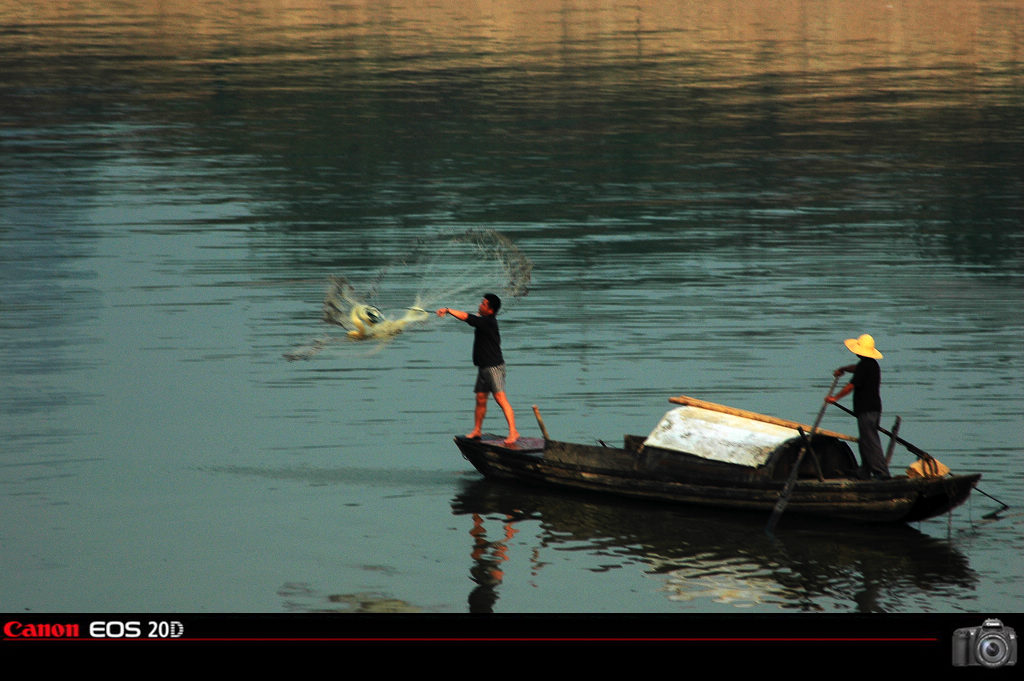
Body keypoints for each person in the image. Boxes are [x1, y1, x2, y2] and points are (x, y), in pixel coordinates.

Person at [437, 294, 520, 446]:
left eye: (484, 304)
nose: (480, 305)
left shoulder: (488, 322)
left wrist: (448, 310)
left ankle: (513, 432)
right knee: (480, 399)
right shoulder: (483, 320)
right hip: (483, 367)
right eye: (482, 302)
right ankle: (477, 430)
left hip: (494, 367)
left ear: (490, 310)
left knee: (501, 399)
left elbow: (466, 317)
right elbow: (470, 317)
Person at [826, 333, 890, 480]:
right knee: (865, 441)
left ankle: (882, 474)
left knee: (870, 442)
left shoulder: (865, 366)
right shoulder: (871, 364)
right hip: (871, 409)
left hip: (867, 410)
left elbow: (850, 387)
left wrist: (834, 398)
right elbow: (856, 368)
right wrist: (843, 369)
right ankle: (864, 472)